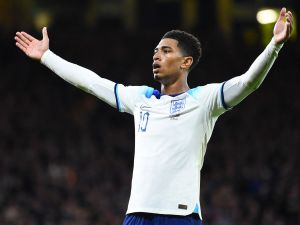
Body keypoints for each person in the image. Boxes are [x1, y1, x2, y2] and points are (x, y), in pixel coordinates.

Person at [15, 7, 293, 225]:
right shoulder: (142, 99)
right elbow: (92, 82)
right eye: (155, 51)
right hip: (137, 214)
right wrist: (47, 56)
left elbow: (248, 83)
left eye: (166, 50)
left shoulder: (205, 100)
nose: (156, 55)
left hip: (181, 216)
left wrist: (274, 46)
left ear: (187, 62)